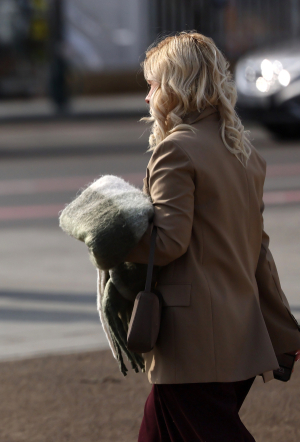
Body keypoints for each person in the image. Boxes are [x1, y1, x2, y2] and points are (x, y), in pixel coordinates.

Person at [125, 32, 300, 441]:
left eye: (152, 86)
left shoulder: (176, 151)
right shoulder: (241, 152)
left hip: (195, 342)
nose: (148, 99)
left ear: (175, 87)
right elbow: (259, 250)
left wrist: (108, 239)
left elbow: (166, 243)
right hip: (241, 333)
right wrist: (284, 329)